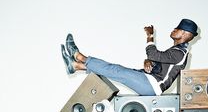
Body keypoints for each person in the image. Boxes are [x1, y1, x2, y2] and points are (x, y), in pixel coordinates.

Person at [61, 18, 198, 96]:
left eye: (177, 29)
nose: (174, 30)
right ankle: (76, 66)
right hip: (149, 82)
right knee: (114, 72)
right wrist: (149, 62)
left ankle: (79, 56)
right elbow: (158, 63)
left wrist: (150, 36)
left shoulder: (180, 53)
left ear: (185, 34)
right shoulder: (176, 51)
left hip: (152, 85)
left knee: (115, 70)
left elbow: (154, 53)